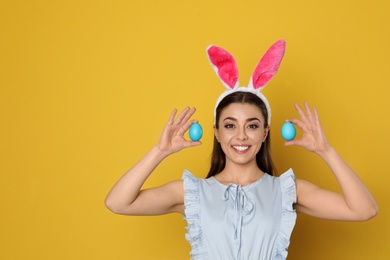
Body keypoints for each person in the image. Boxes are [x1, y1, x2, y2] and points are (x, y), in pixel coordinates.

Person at [105, 40, 377, 260]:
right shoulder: (192, 193)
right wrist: (160, 151)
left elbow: (364, 210)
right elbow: (117, 203)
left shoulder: (287, 191)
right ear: (217, 132)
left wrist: (326, 151)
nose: (241, 136)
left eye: (252, 125)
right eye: (230, 125)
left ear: (264, 133)